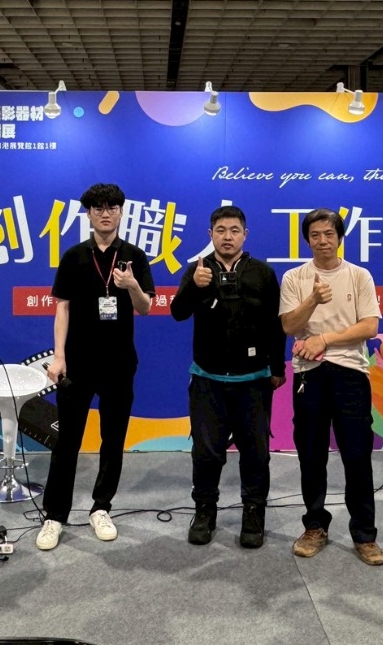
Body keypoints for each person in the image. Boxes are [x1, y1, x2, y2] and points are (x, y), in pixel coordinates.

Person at [36, 183, 155, 551]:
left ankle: (101, 507)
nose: (106, 214)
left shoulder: (134, 256)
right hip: (78, 363)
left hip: (119, 363)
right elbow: (62, 308)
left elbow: (146, 307)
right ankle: (55, 515)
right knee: (67, 441)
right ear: (88, 214)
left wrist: (131, 285)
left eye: (112, 207)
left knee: (113, 439)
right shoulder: (74, 256)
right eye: (98, 208)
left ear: (121, 212)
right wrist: (59, 356)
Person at [170, 206, 285, 548]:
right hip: (208, 380)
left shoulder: (263, 273)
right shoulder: (198, 270)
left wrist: (277, 368)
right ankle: (205, 510)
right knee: (206, 453)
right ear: (211, 235)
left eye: (234, 230)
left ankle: (254, 511)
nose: (227, 236)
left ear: (244, 235)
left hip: (254, 380)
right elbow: (178, 312)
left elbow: (276, 325)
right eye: (220, 230)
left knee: (256, 453)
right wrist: (194, 286)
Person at [279, 208, 383, 565]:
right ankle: (314, 526)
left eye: (329, 234)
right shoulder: (294, 278)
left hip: (351, 373)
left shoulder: (359, 275)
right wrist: (313, 299)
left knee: (357, 456)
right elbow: (289, 326)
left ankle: (365, 534)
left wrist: (324, 339)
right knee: (311, 455)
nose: (322, 241)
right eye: (315, 235)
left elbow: (369, 326)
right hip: (309, 373)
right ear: (306, 240)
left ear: (339, 237)